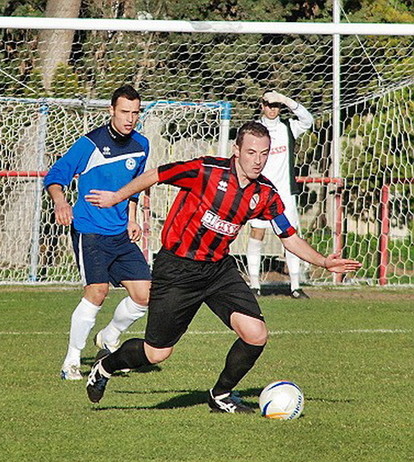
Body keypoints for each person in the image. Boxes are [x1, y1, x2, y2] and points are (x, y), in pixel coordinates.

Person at [83, 121, 361, 412]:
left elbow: (289, 237)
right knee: (157, 353)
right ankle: (105, 367)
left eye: (264, 153)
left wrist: (324, 261)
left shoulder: (265, 193)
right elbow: (156, 174)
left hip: (217, 270)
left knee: (256, 334)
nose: (258, 160)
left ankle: (220, 395)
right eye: (251, 152)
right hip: (177, 269)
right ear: (236, 150)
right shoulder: (206, 171)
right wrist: (117, 197)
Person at [43, 85, 152, 380]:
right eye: (124, 112)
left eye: (135, 113)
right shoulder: (89, 144)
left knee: (145, 295)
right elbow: (56, 175)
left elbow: (134, 187)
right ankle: (71, 362)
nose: (130, 119)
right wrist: (61, 201)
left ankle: (109, 337)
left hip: (120, 232)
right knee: (97, 291)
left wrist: (132, 219)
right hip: (89, 230)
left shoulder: (142, 145)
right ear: (111, 111)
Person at [247, 91, 314, 299]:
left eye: (276, 105)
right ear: (262, 105)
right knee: (257, 234)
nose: (272, 108)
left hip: (285, 195)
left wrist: (286, 100)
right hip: (260, 192)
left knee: (290, 236)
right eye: (268, 104)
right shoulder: (254, 130)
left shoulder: (288, 128)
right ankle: (255, 284)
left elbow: (308, 120)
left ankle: (294, 286)